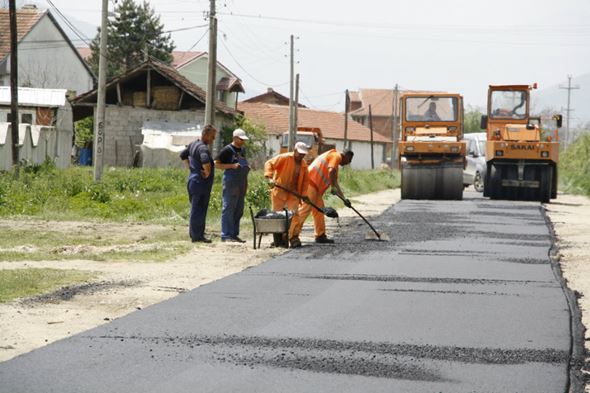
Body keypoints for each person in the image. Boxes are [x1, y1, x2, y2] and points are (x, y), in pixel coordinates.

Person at [293, 149, 354, 244]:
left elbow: (335, 182)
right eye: (349, 161)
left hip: (315, 188)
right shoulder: (336, 156)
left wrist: (344, 199)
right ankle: (292, 235)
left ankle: (320, 235)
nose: (347, 164)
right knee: (305, 210)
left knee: (319, 211)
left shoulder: (334, 162)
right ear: (346, 156)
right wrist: (333, 187)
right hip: (310, 184)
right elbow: (331, 171)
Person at [264, 142, 310, 248]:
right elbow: (269, 163)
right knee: (278, 216)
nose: (301, 156)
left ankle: (293, 237)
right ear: (294, 151)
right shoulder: (285, 158)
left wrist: (303, 195)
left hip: (294, 193)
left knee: (294, 215)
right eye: (300, 153)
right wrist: (270, 177)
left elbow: (305, 183)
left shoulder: (304, 166)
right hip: (279, 191)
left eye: (303, 154)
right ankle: (278, 239)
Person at [180, 124, 216, 243]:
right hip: (201, 184)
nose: (213, 139)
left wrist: (190, 167)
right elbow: (205, 161)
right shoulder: (203, 148)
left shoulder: (192, 144)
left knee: (196, 209)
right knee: (199, 209)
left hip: (193, 181)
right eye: (212, 136)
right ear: (205, 135)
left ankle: (195, 233)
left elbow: (182, 155)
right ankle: (197, 236)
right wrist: (207, 172)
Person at [214, 128, 250, 243]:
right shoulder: (227, 150)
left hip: (241, 182)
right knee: (228, 207)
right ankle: (226, 235)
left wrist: (245, 183)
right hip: (230, 181)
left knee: (238, 209)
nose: (243, 141)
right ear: (235, 138)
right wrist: (231, 166)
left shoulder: (242, 150)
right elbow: (216, 164)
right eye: (241, 139)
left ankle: (234, 234)